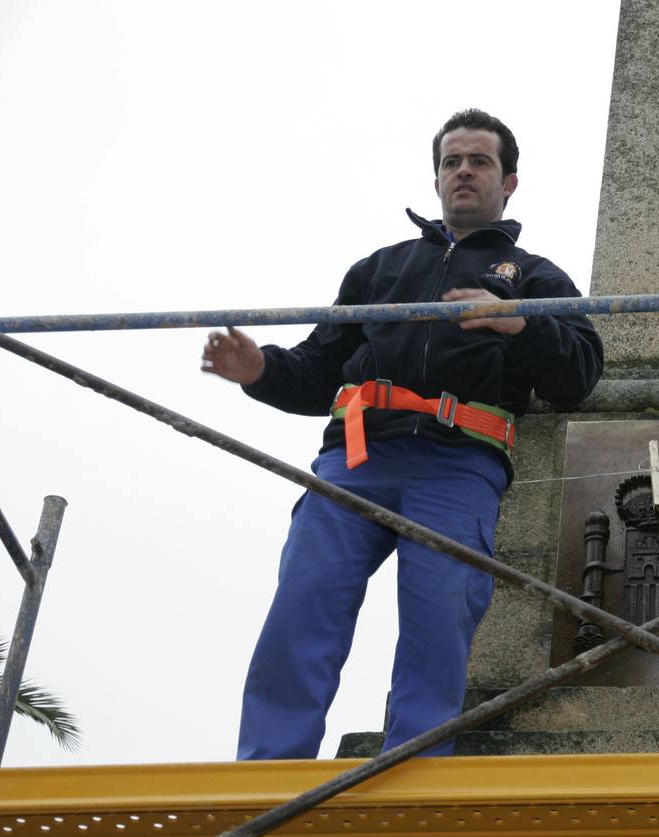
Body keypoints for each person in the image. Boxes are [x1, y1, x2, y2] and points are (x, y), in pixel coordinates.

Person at [201, 109, 604, 759]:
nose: (463, 171)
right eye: (452, 161)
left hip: (458, 464)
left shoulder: (533, 277)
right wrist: (260, 370)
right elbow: (315, 371)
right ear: (438, 176)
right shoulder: (378, 270)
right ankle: (267, 771)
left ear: (510, 182)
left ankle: (416, 768)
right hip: (358, 457)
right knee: (304, 603)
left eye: (479, 161)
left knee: (439, 617)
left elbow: (579, 375)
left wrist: (519, 324)